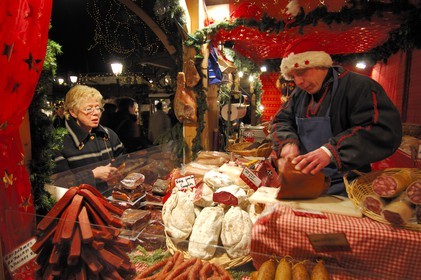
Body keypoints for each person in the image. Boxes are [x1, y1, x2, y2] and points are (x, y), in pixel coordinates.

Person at [270, 38, 402, 196]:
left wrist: (331, 152)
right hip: (306, 186)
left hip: (350, 188)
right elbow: (281, 120)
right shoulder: (299, 95)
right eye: (293, 76)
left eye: (301, 72)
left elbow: (382, 129)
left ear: (320, 64)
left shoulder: (360, 87)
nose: (298, 82)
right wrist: (287, 143)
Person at [52, 85, 126, 194]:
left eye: (98, 108)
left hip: (112, 199)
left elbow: (123, 159)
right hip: (82, 205)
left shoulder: (109, 134)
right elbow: (58, 183)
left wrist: (120, 169)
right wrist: (93, 175)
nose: (96, 112)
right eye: (89, 109)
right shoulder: (59, 142)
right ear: (73, 112)